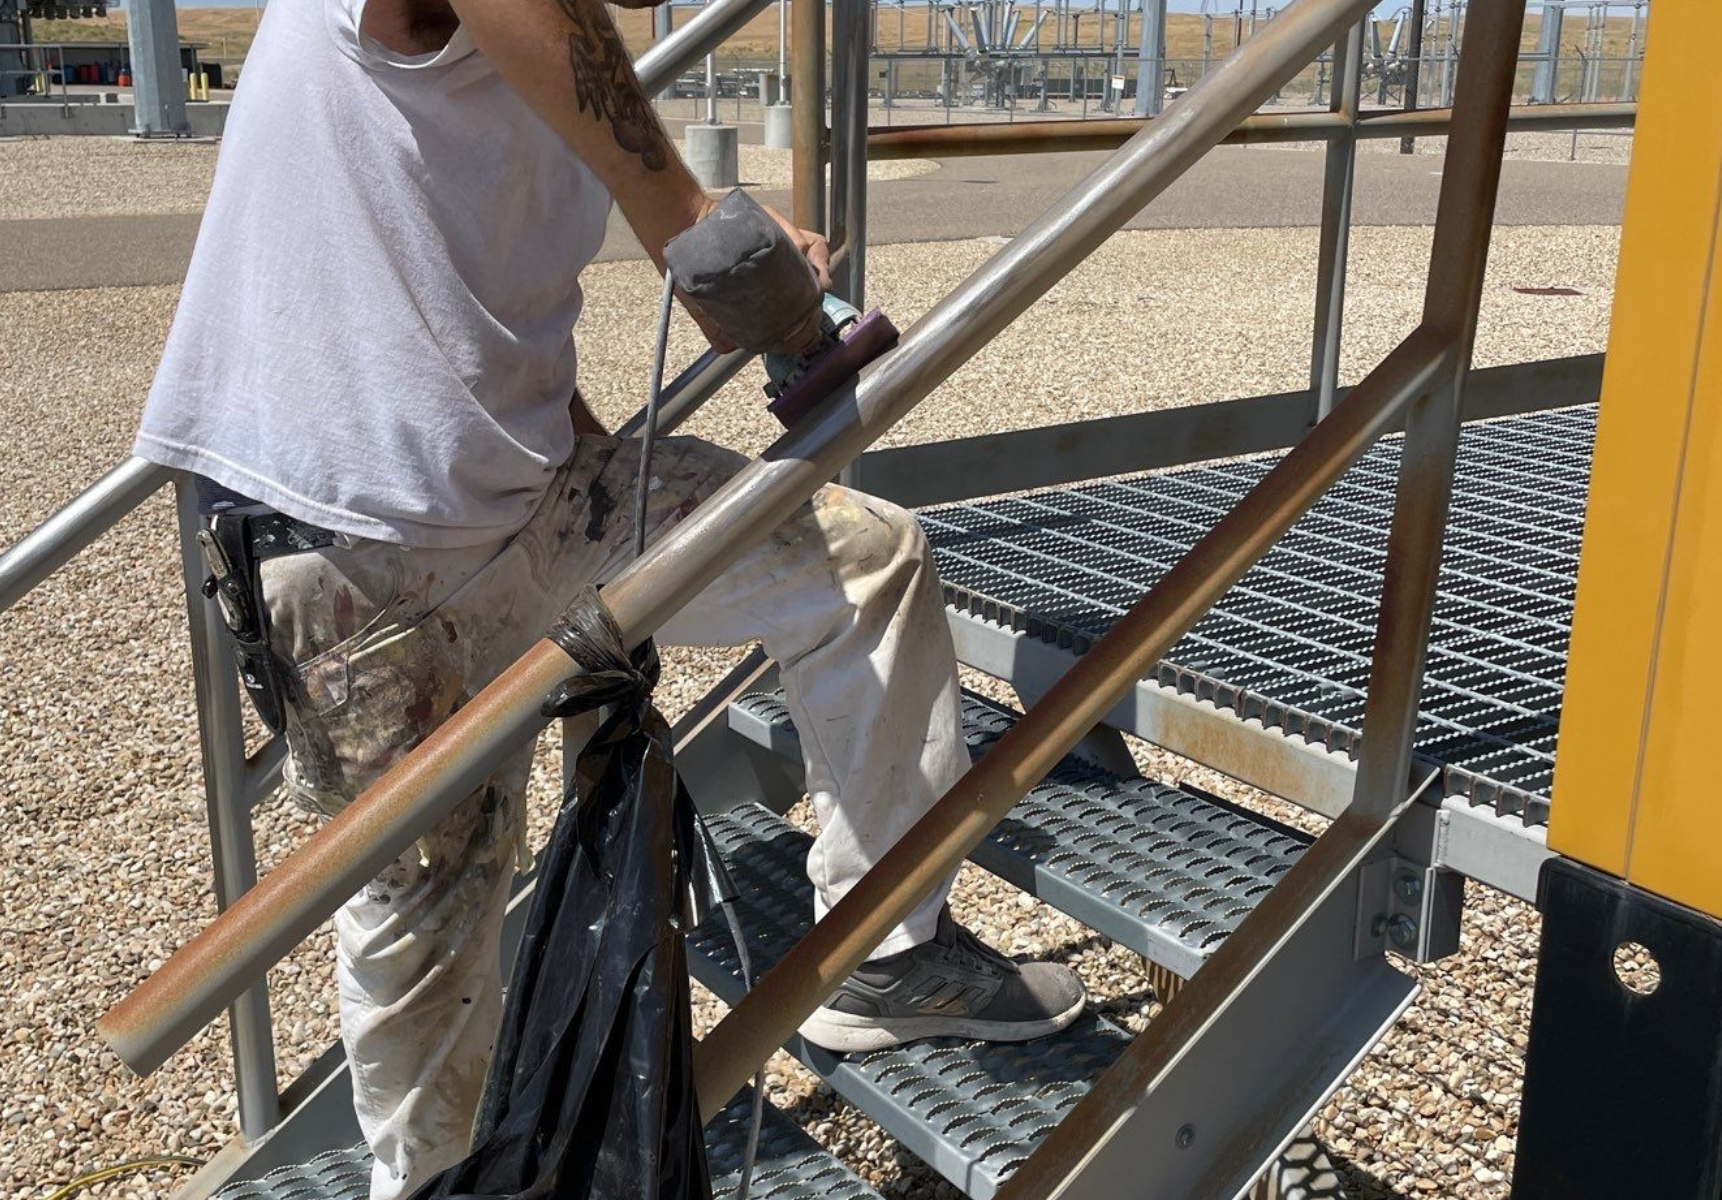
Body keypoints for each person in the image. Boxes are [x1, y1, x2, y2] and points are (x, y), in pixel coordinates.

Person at [132, 0, 1086, 1195]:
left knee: (862, 564)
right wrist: (699, 231)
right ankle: (431, 1183)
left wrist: (600, 475)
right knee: (432, 903)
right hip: (349, 533)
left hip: (536, 491)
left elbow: (484, 309)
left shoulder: (531, 65)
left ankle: (886, 955)